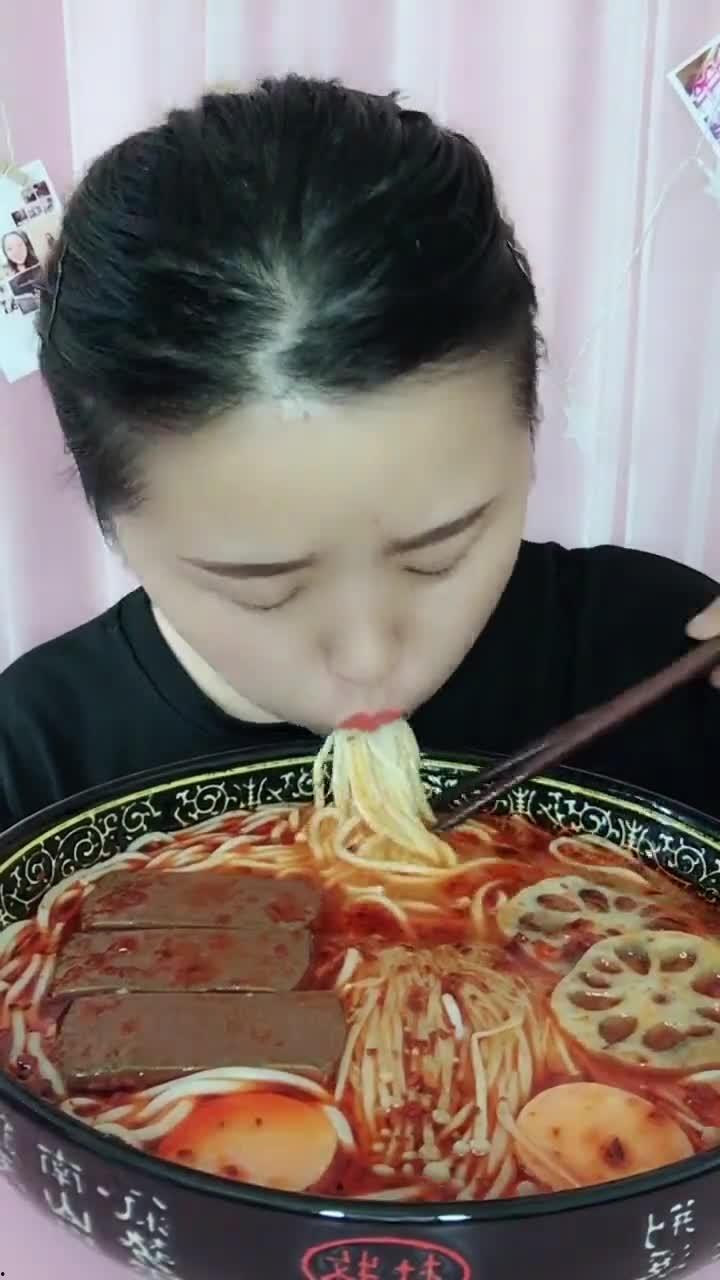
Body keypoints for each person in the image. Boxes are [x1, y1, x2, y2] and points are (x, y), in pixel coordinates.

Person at [1, 74, 719, 831]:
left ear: (530, 431)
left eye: (438, 556)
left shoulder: (667, 663)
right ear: (111, 521)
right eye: (266, 592)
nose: (369, 658)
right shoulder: (33, 766)